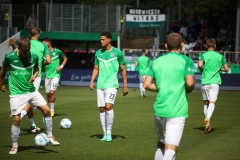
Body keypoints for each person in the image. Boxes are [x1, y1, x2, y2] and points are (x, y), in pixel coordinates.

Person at [0, 37, 59, 155]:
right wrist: (1, 83)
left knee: (47, 111)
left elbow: (37, 68)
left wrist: (35, 75)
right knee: (16, 119)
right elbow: (3, 71)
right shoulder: (10, 58)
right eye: (24, 51)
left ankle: (51, 136)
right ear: (19, 48)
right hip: (17, 93)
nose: (26, 53)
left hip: (32, 91)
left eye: (28, 51)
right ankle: (14, 146)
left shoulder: (34, 56)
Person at [143, 33, 195, 160]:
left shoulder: (156, 61)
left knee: (161, 145)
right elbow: (190, 83)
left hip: (159, 110)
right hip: (177, 110)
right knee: (171, 149)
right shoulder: (186, 61)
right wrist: (186, 89)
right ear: (182, 45)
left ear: (166, 46)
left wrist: (162, 87)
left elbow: (146, 84)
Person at [89, 31, 128, 142]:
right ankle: (105, 133)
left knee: (108, 106)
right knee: (102, 109)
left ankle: (109, 132)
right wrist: (92, 81)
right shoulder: (98, 53)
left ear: (109, 40)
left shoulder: (118, 53)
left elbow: (123, 70)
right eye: (100, 39)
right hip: (100, 84)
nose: (101, 41)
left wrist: (125, 85)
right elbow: (96, 69)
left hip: (112, 84)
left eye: (103, 39)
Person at [22, 27, 51, 133]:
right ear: (38, 35)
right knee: (31, 99)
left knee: (26, 98)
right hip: (35, 75)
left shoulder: (25, 43)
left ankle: (32, 125)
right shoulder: (43, 45)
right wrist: (43, 63)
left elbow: (16, 52)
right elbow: (49, 60)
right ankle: (19, 116)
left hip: (23, 73)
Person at [198, 38, 229, 133]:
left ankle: (208, 125)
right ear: (215, 46)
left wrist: (202, 70)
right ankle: (208, 118)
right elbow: (227, 69)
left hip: (205, 81)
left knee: (205, 103)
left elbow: (199, 65)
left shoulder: (203, 55)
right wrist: (219, 69)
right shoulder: (220, 56)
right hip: (215, 82)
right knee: (212, 102)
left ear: (206, 46)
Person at [42, 37, 68, 116]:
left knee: (52, 92)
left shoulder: (57, 51)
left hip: (56, 75)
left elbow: (65, 58)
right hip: (47, 75)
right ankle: (49, 108)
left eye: (44, 43)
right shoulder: (43, 53)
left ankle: (52, 110)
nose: (42, 45)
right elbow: (42, 64)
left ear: (48, 43)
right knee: (48, 94)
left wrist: (61, 66)